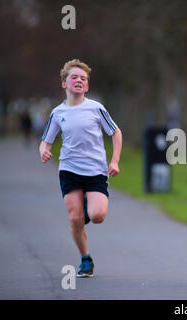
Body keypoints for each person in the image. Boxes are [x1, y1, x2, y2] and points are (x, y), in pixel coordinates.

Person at [39, 59, 122, 277]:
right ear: (64, 83)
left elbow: (115, 133)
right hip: (69, 169)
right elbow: (46, 140)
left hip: (95, 170)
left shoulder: (96, 108)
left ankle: (88, 203)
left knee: (97, 215)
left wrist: (114, 161)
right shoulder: (58, 113)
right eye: (74, 77)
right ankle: (85, 259)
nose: (79, 81)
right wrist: (43, 151)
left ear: (87, 86)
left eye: (83, 78)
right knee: (75, 219)